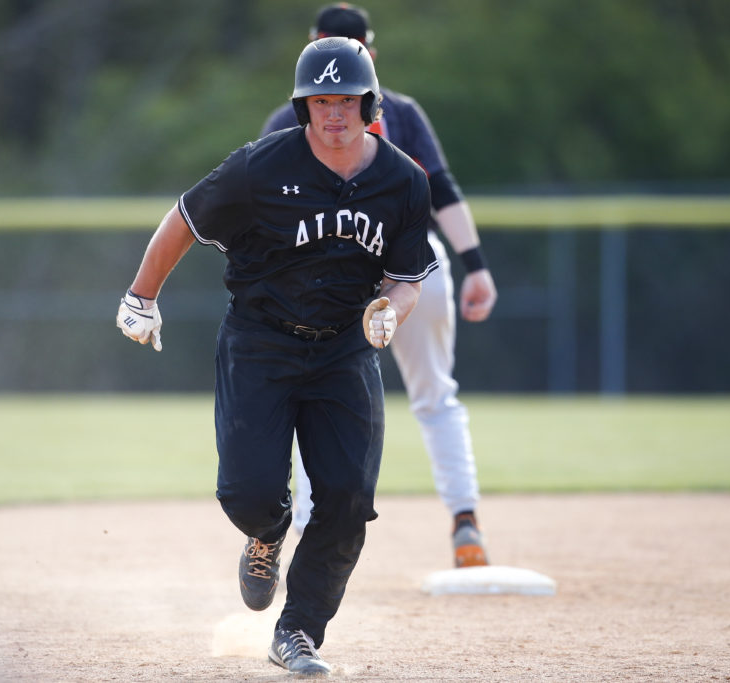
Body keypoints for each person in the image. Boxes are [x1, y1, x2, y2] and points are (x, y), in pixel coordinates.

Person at [117, 37, 436, 675]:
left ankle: (298, 633)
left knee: (347, 498)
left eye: (347, 100)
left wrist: (390, 312)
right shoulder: (260, 168)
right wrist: (141, 295)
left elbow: (407, 278)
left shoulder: (402, 180)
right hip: (259, 342)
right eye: (322, 100)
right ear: (303, 106)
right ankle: (266, 535)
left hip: (345, 349)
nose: (334, 113)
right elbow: (185, 217)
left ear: (368, 104)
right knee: (250, 493)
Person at [262, 3, 498, 568]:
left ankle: (301, 543)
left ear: (312, 45)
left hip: (333, 280)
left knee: (307, 401)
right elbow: (440, 190)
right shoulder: (404, 112)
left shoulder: (291, 116)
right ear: (371, 47)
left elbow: (268, 217)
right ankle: (465, 523)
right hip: (420, 267)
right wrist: (478, 264)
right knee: (436, 395)